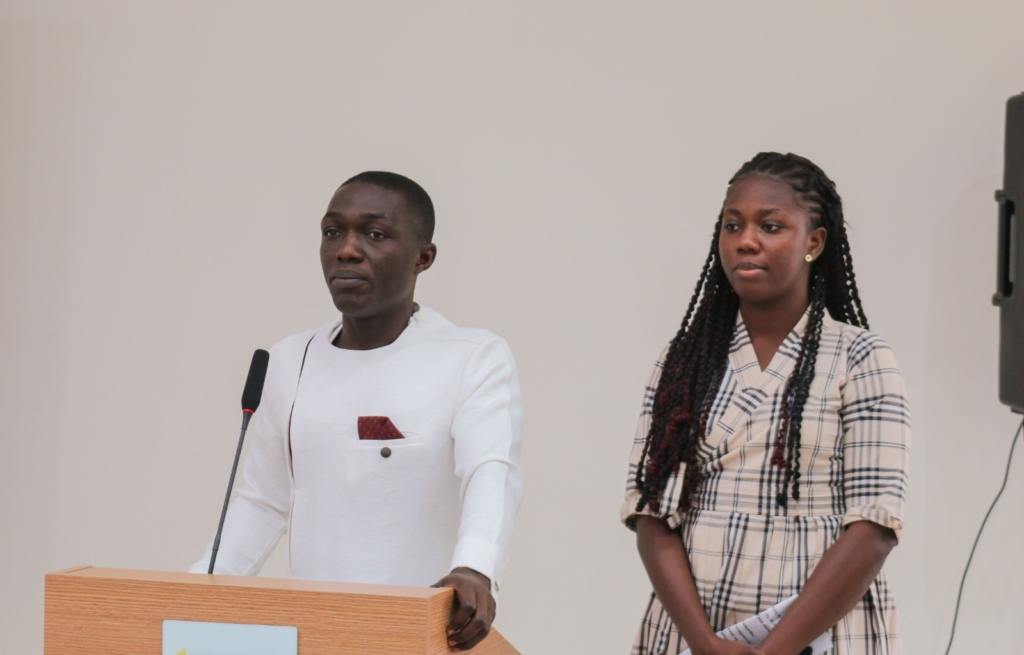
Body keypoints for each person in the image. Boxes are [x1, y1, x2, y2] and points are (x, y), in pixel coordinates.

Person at [191, 171, 523, 652]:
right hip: (313, 633)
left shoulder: (471, 357)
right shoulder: (288, 360)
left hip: (419, 633)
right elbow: (263, 500)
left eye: (375, 234)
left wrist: (475, 569)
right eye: (333, 232)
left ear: (423, 257)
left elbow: (491, 471)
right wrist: (197, 593)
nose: (346, 250)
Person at [621, 153, 910, 655]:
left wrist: (772, 651)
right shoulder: (684, 361)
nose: (746, 240)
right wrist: (705, 643)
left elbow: (873, 529)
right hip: (694, 635)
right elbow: (652, 515)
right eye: (733, 225)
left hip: (821, 636)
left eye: (770, 226)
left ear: (813, 242)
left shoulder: (860, 358)